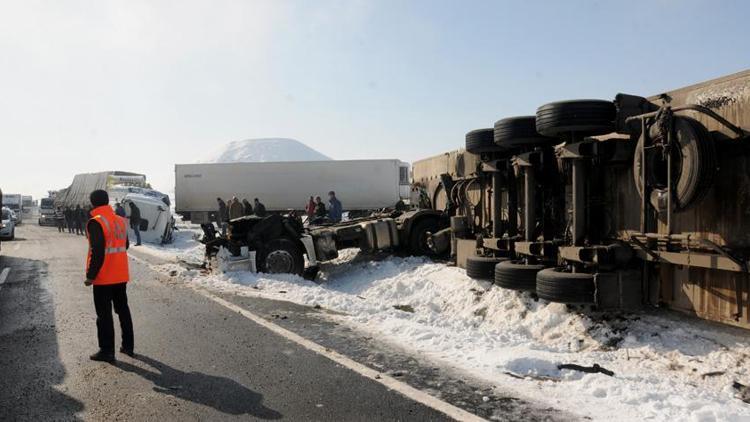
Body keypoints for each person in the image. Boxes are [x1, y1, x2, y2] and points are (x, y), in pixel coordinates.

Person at [84, 189, 133, 362]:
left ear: (93, 203)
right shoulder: (119, 220)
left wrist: (91, 276)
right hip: (120, 274)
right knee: (123, 309)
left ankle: (107, 351)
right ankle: (128, 346)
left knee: (104, 315)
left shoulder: (96, 222)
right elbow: (125, 245)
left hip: (104, 276)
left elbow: (97, 252)